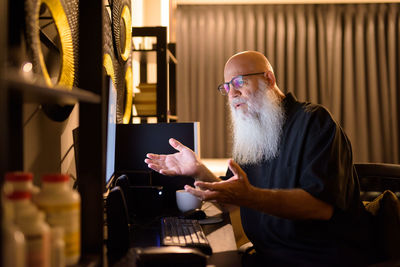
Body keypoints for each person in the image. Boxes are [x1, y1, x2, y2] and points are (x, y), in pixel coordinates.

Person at [145, 51, 377, 266]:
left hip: (319, 258)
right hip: (268, 256)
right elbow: (233, 200)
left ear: (268, 79)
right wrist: (198, 169)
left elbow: (320, 208)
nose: (232, 93)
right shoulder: (252, 132)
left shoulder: (313, 121)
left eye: (239, 82)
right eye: (226, 87)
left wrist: (251, 197)